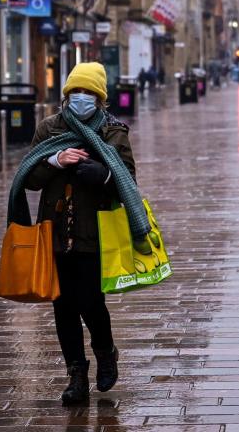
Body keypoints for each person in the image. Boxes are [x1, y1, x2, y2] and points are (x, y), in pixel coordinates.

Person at [24, 62, 152, 405]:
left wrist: (105, 175)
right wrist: (54, 161)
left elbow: (128, 184)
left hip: (95, 235)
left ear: (100, 98)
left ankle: (105, 351)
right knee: (63, 307)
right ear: (66, 96)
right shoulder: (49, 129)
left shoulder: (113, 133)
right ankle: (76, 375)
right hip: (55, 232)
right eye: (75, 92)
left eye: (89, 93)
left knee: (92, 303)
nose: (81, 98)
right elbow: (30, 179)